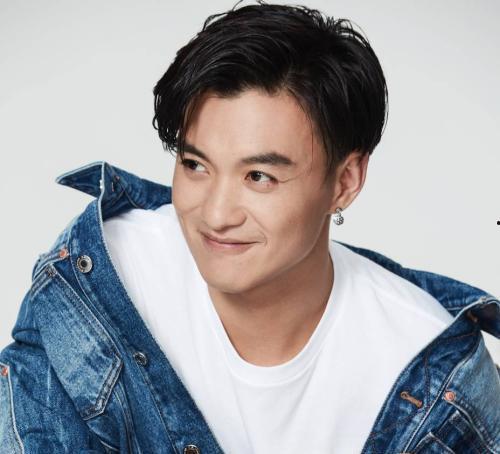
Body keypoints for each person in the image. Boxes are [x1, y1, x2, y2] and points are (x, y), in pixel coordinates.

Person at [1, 2, 499, 453]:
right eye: (195, 166)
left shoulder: (431, 377)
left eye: (259, 176)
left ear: (345, 182)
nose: (216, 214)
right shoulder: (94, 282)